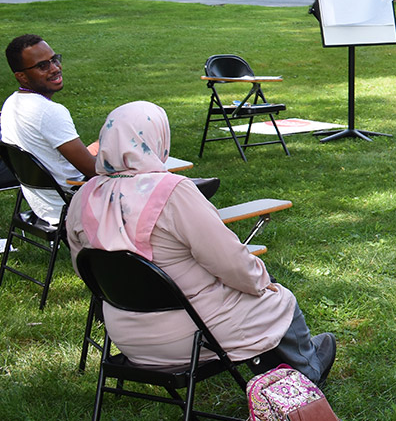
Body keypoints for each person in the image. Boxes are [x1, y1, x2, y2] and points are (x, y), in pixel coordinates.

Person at [64, 101, 337, 383]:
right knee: (279, 299)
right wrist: (262, 283)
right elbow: (231, 262)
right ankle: (305, 376)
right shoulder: (172, 192)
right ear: (158, 137)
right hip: (190, 335)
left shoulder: (82, 198)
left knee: (243, 292)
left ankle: (276, 371)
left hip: (126, 334)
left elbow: (85, 269)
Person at [2, 34, 96, 226]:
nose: (55, 68)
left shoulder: (12, 103)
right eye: (42, 66)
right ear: (21, 76)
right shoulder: (49, 112)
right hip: (71, 203)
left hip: (44, 204)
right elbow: (94, 171)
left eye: (54, 59)